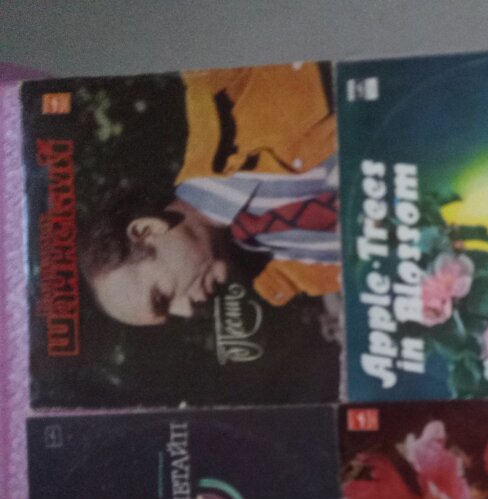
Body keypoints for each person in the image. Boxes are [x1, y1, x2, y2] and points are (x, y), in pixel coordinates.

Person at [78, 62, 340, 326]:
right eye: (171, 313)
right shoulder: (282, 273)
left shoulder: (224, 81)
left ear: (147, 230)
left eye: (161, 298)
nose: (187, 311)